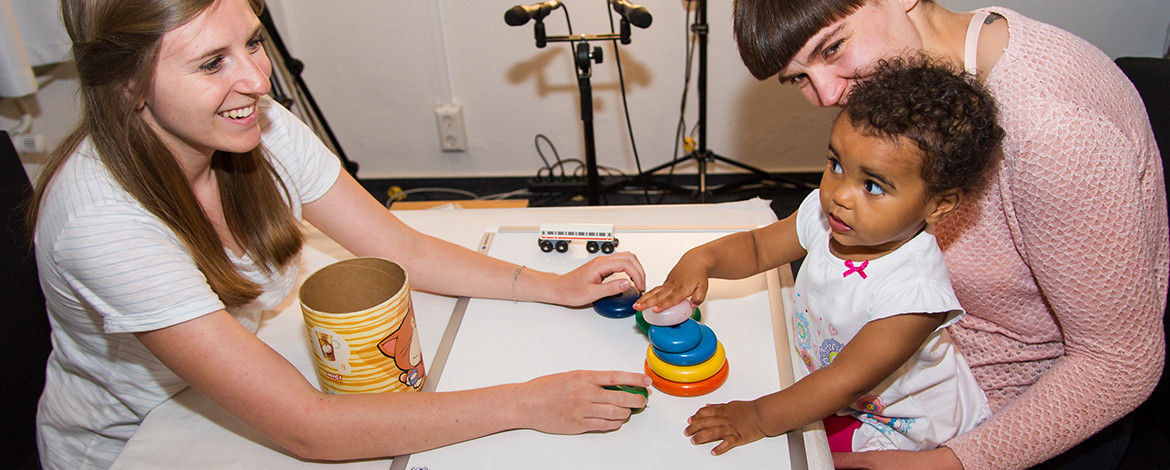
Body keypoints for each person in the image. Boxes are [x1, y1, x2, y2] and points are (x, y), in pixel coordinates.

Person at [30, 0, 651, 468]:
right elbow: (307, 427)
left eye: (252, 42)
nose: (255, 79)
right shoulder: (100, 222)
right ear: (128, 83)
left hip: (241, 383)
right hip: (136, 440)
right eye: (212, 63)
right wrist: (527, 405)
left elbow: (399, 246)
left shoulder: (254, 122)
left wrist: (550, 284)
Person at [714, 0, 1168, 468]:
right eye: (798, 78)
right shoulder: (932, 73)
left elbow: (1120, 364)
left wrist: (946, 462)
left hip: (996, 416)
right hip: (902, 381)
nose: (827, 95)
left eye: (832, 48)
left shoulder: (1054, 132)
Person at [636, 56, 1001, 455]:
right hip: (831, 383)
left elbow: (845, 381)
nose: (840, 194)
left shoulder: (914, 295)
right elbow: (759, 248)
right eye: (836, 164)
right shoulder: (829, 216)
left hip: (897, 422)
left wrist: (757, 417)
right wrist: (702, 258)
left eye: (873, 186)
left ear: (939, 205)